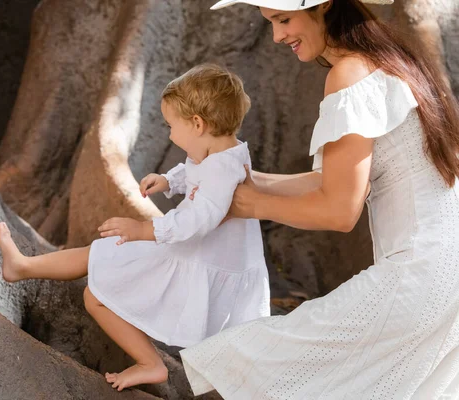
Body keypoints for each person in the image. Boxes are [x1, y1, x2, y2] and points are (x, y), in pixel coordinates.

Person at [179, 0, 459, 399]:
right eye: (271, 22)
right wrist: (251, 182)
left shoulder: (349, 74)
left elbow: (339, 209)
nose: (277, 36)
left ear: (324, 6)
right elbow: (333, 181)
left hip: (418, 278)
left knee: (239, 369)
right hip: (446, 278)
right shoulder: (391, 61)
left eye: (284, 19)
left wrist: (248, 206)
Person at [0, 63, 270, 391]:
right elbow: (197, 169)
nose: (169, 134)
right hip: (188, 252)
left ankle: (150, 363)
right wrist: (169, 179)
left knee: (95, 295)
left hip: (193, 259)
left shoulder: (223, 170)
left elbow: (200, 218)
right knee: (97, 258)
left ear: (197, 124)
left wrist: (142, 230)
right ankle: (22, 266)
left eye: (171, 126)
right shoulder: (225, 152)